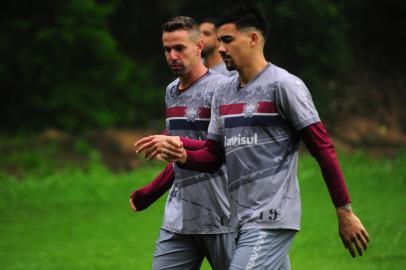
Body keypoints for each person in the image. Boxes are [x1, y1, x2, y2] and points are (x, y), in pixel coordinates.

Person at [136, 4, 369, 270]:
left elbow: (323, 147)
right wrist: (183, 153)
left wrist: (344, 210)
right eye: (220, 41)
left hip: (272, 217)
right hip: (239, 219)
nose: (220, 48)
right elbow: (213, 154)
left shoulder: (284, 85)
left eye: (227, 40)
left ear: (253, 39)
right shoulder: (225, 94)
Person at [131, 16, 234, 270]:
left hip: (222, 215)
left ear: (199, 46)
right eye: (167, 49)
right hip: (179, 219)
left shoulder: (223, 89)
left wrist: (176, 144)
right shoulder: (170, 91)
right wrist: (151, 192)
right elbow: (178, 155)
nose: (172, 56)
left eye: (179, 48)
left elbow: (222, 151)